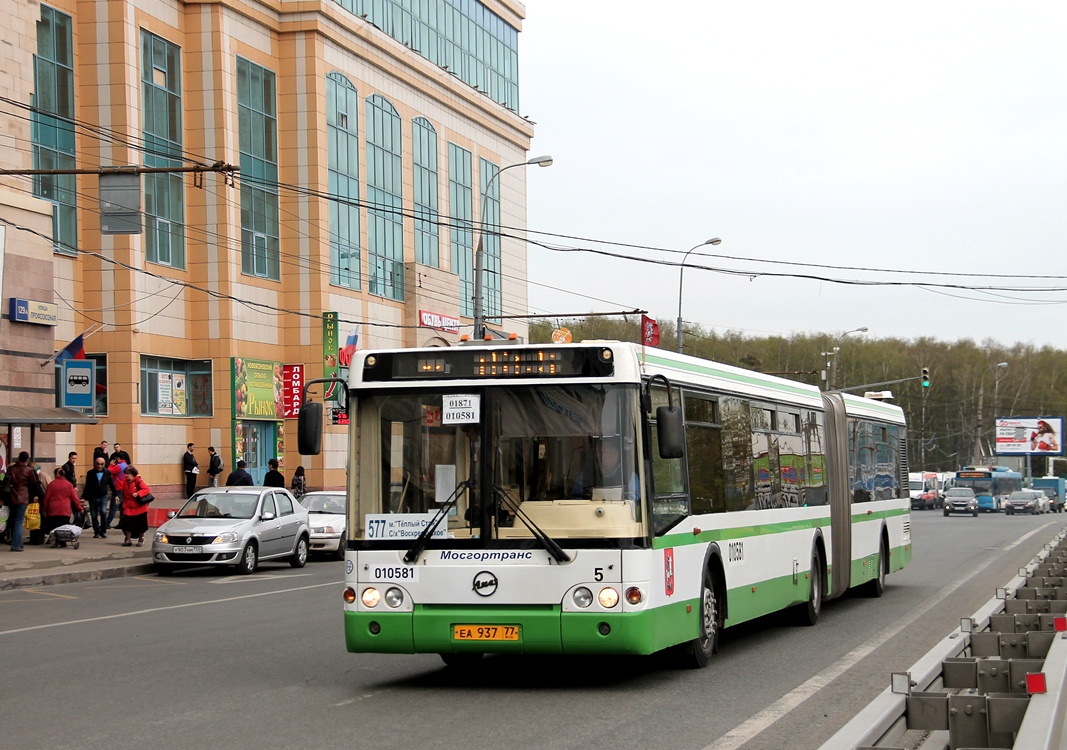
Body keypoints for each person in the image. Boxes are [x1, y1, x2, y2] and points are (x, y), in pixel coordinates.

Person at [42, 467, 83, 544]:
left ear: (55, 475)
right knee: (63, 527)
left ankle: (55, 540)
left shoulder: (52, 484)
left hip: (53, 510)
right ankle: (62, 541)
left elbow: (46, 498)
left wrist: (44, 509)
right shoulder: (69, 484)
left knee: (54, 526)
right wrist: (79, 508)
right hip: (65, 510)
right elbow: (75, 499)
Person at [6, 451, 37, 552]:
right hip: (23, 496)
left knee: (13, 519)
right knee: (19, 521)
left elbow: (5, 482)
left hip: (12, 496)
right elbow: (34, 483)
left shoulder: (11, 469)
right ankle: (16, 545)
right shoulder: (29, 470)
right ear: (27, 459)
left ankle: (16, 542)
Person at [81, 455, 115, 538]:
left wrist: (116, 494)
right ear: (95, 464)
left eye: (102, 464)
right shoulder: (90, 473)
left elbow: (111, 484)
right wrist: (83, 497)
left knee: (103, 512)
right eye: (98, 464)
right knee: (93, 515)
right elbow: (87, 486)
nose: (99, 466)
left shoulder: (107, 472)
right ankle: (96, 531)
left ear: (104, 464)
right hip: (93, 496)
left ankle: (103, 531)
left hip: (103, 496)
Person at [120, 465, 151, 547]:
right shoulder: (125, 482)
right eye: (125, 474)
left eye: (128, 474)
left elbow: (146, 490)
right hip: (128, 507)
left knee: (141, 526)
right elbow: (124, 494)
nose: (126, 475)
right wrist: (123, 504)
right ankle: (128, 540)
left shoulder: (138, 481)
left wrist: (138, 494)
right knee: (126, 524)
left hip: (139, 508)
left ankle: (140, 539)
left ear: (133, 474)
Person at [107, 456, 128, 529]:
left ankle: (107, 523)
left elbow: (109, 471)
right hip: (123, 488)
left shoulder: (119, 466)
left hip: (118, 488)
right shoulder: (126, 465)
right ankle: (121, 523)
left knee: (113, 507)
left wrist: (111, 465)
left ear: (117, 458)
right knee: (121, 507)